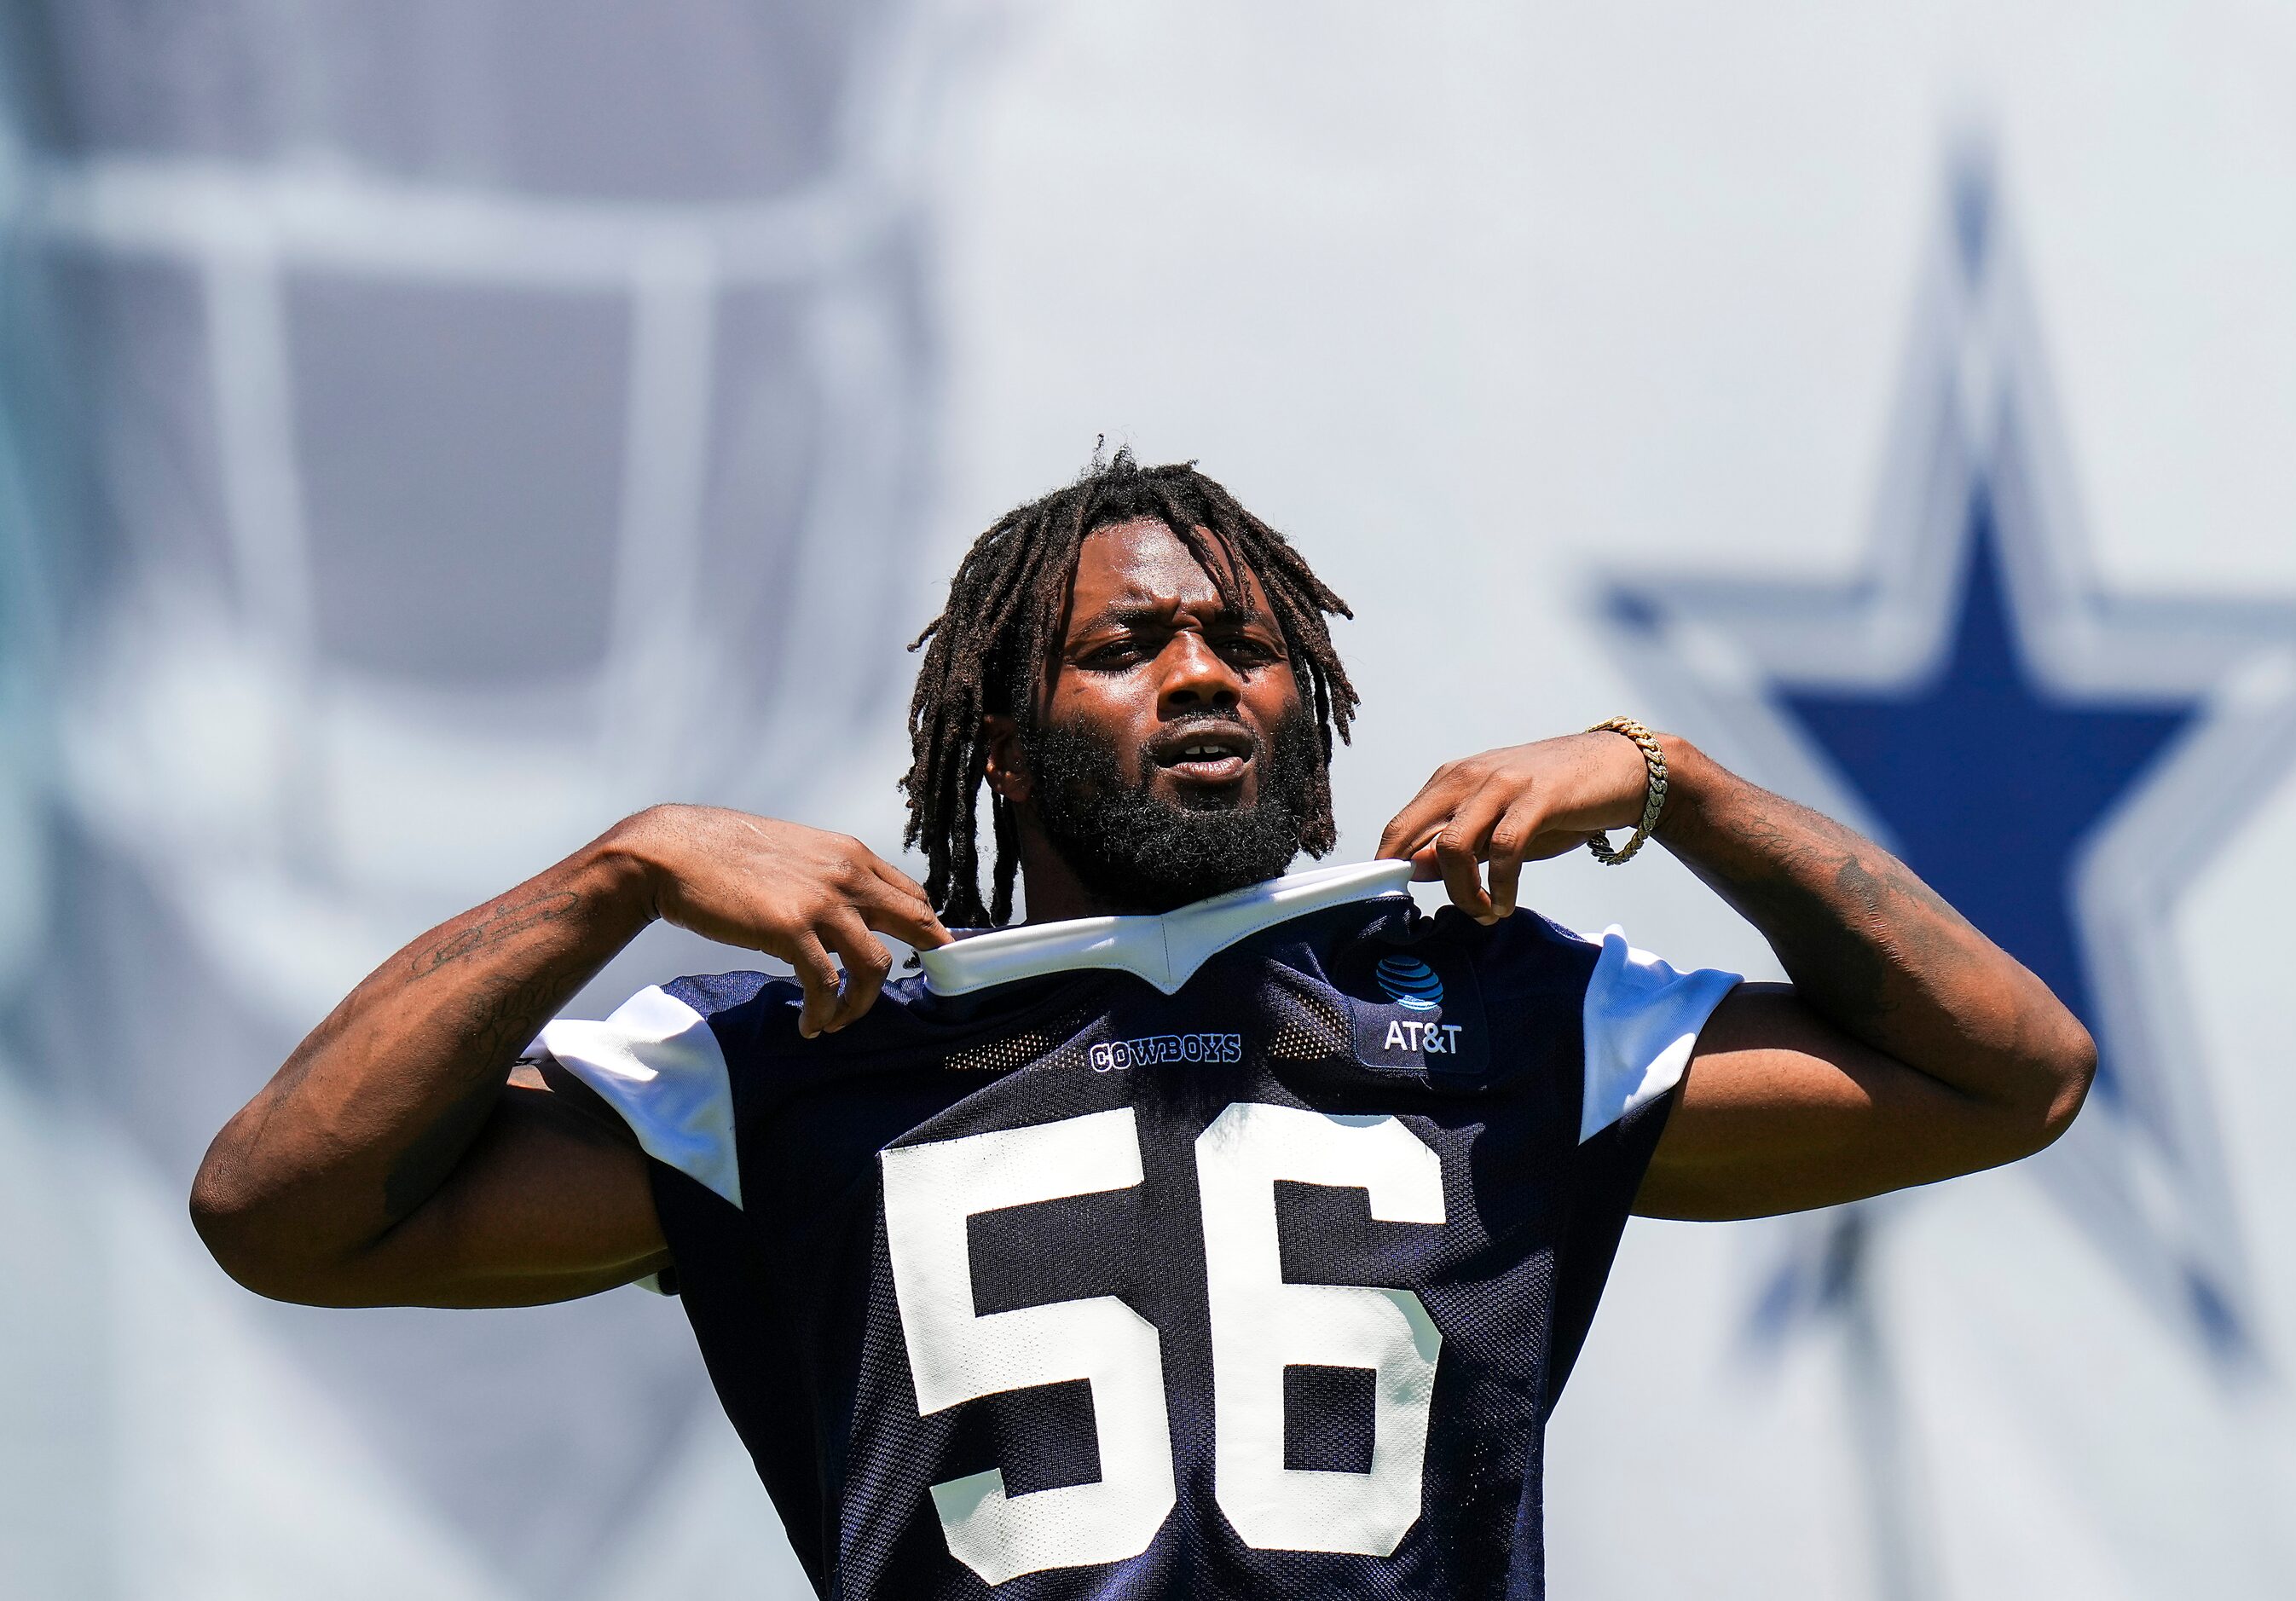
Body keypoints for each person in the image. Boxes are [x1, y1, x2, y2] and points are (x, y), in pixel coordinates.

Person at [190, 452, 2093, 1598]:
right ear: (998, 737)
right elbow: (283, 1208)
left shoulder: (1492, 1009)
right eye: (1124, 647)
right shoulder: (807, 1048)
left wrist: (1672, 783)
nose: (1201, 671)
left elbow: (2008, 1071)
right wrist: (609, 877)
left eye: (1246, 644)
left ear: (1310, 700)